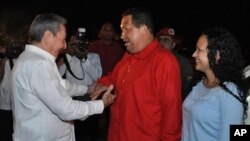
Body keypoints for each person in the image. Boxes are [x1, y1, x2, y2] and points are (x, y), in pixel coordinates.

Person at [11, 13, 115, 141]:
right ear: (48, 36)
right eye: (62, 40)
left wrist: (88, 88)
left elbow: (59, 85)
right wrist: (101, 104)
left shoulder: (32, 59)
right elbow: (66, 109)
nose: (65, 46)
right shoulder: (38, 65)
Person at [91, 7, 182, 141]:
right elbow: (113, 77)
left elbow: (172, 114)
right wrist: (103, 83)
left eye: (126, 29)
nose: (121, 36)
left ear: (143, 29)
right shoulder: (128, 56)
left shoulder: (164, 61)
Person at [181, 27, 249, 141]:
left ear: (216, 55)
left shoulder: (229, 92)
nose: (194, 54)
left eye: (199, 50)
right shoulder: (199, 84)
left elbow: (230, 137)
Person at [156, 27, 193, 100]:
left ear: (173, 45)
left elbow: (186, 90)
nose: (161, 44)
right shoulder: (151, 60)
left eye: (166, 40)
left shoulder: (182, 63)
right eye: (160, 40)